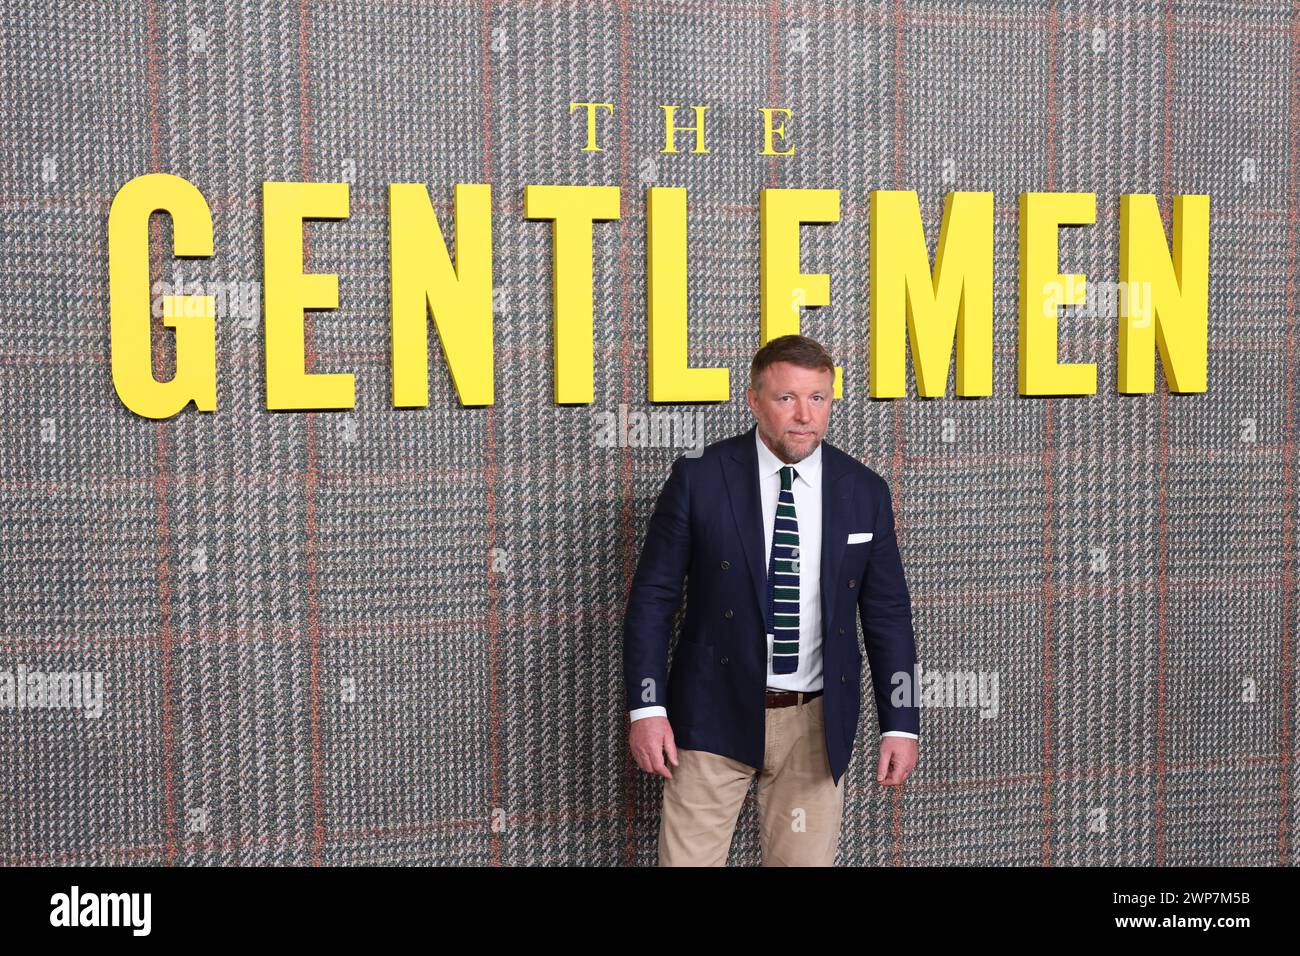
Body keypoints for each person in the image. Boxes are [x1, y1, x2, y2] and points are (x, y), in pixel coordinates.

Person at [622, 333, 920, 866]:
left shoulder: (864, 490)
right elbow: (653, 598)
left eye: (818, 398)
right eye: (786, 398)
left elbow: (888, 613)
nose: (804, 415)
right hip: (710, 714)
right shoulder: (700, 477)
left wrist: (900, 721)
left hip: (816, 723)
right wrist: (647, 706)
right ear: (755, 400)